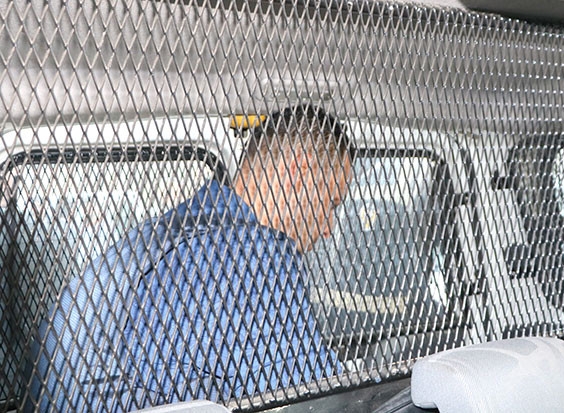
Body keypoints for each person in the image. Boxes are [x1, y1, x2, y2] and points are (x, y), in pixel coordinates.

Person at [27, 105, 353, 412]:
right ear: (299, 172)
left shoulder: (171, 231)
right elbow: (325, 398)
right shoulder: (252, 255)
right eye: (332, 203)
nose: (328, 229)